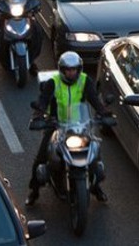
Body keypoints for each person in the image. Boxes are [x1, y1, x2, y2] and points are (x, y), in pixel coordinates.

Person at [26, 51, 112, 206]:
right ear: (62, 69)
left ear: (79, 69)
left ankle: (95, 186)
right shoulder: (53, 82)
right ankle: (34, 191)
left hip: (80, 125)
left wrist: (105, 114)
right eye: (68, 69)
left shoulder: (85, 81)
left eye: (74, 69)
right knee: (41, 157)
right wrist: (38, 115)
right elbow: (43, 100)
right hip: (56, 125)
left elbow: (95, 100)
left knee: (95, 154)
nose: (71, 72)